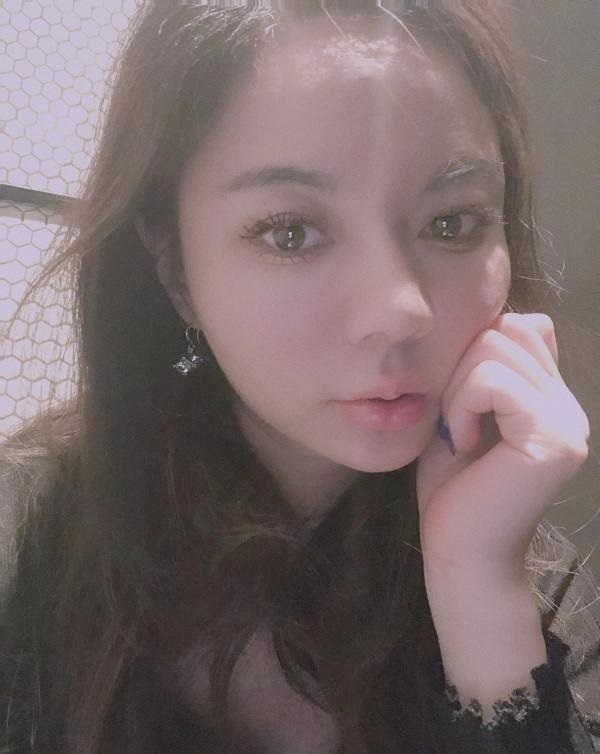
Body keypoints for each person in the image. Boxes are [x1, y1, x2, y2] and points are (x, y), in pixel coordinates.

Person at [1, 1, 599, 752]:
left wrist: (479, 596)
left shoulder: (531, 584)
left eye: (451, 223)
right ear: (177, 271)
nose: (399, 310)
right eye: (290, 233)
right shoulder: (26, 540)